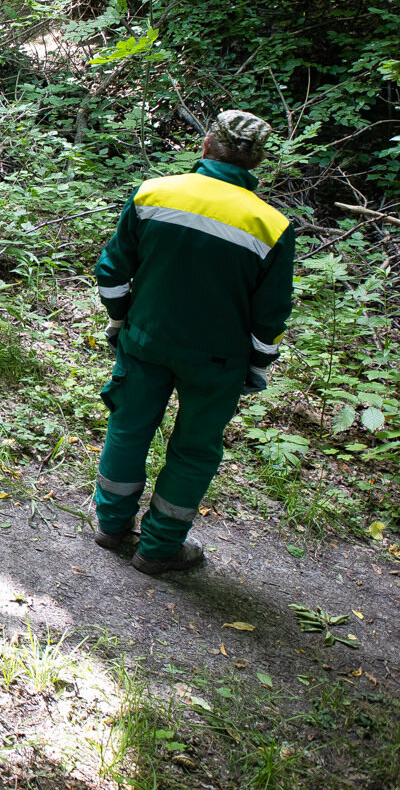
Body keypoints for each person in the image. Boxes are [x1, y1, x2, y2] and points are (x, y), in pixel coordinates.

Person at [91, 110, 294, 575]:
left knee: (128, 428)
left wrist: (121, 321)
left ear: (206, 145)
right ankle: (158, 550)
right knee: (195, 449)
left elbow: (112, 271)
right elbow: (271, 315)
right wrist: (258, 367)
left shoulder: (155, 193)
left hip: (146, 339)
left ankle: (111, 526)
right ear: (257, 161)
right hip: (218, 361)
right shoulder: (271, 225)